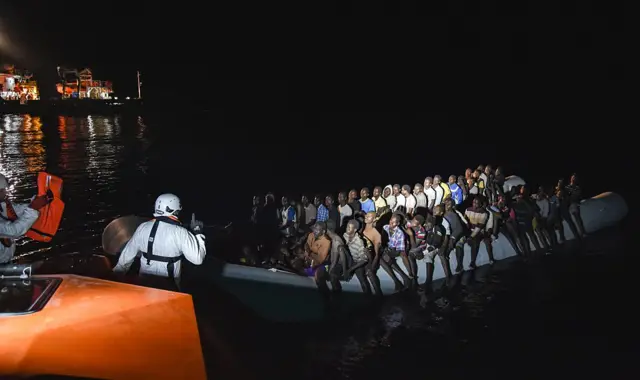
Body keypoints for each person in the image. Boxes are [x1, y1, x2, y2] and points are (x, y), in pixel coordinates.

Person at [113, 193, 207, 290]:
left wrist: (113, 279)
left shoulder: (143, 227)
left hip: (143, 287)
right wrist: (198, 233)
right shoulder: (181, 232)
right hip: (168, 289)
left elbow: (126, 258)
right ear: (175, 211)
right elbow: (197, 259)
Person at [0, 173, 51, 264]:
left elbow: (17, 210)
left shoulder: (2, 205)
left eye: (3, 189)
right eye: (1, 190)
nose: (5, 193)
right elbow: (14, 231)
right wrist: (33, 208)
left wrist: (37, 202)